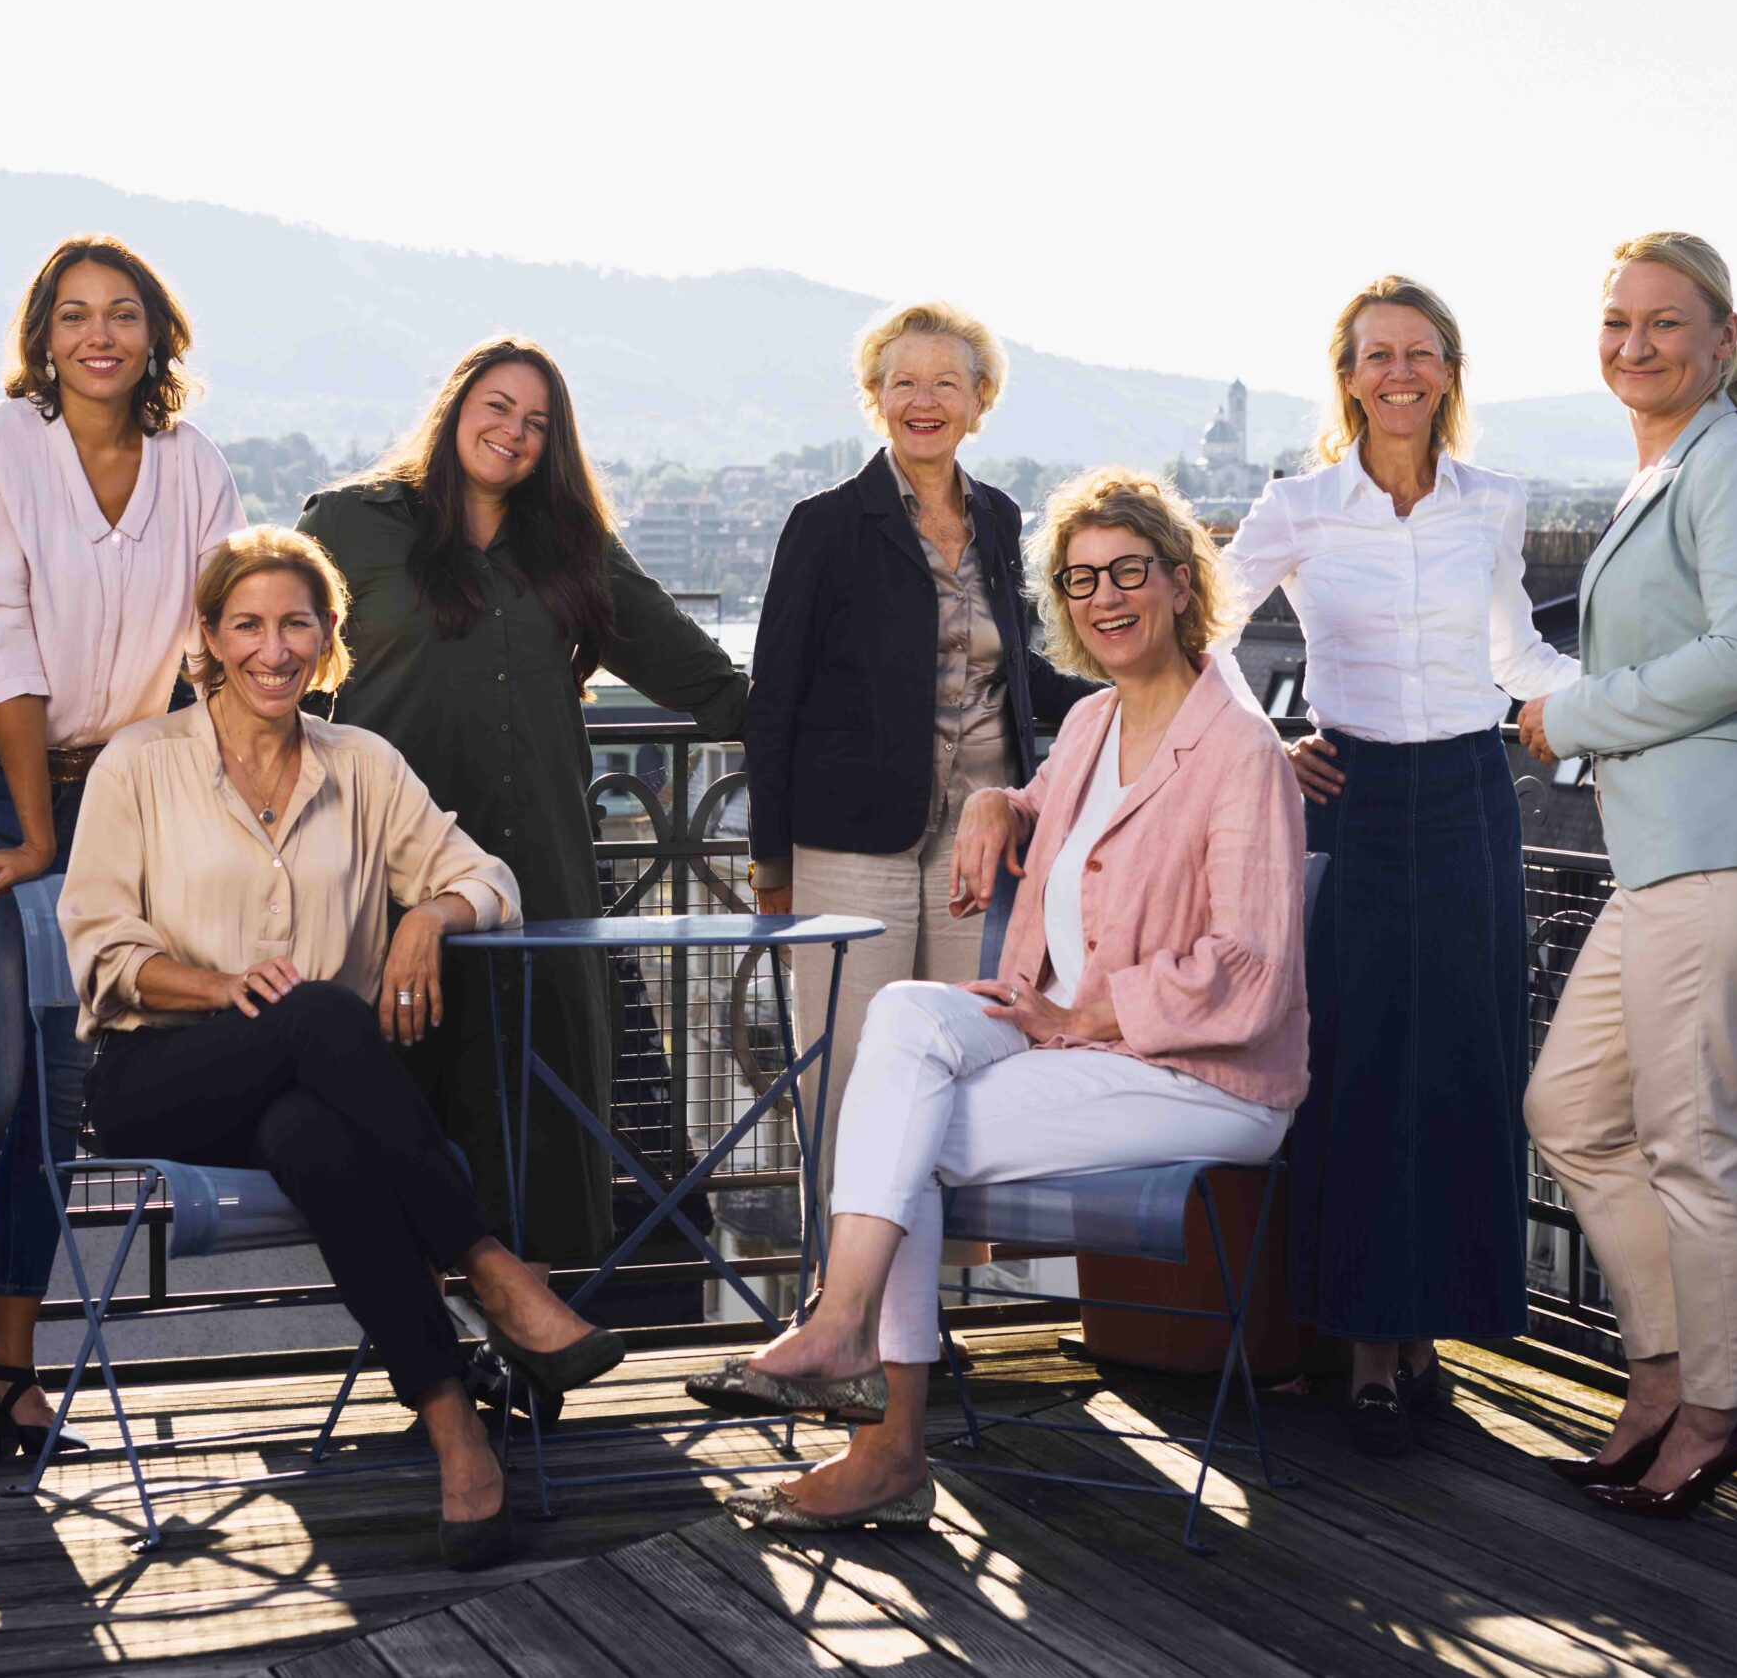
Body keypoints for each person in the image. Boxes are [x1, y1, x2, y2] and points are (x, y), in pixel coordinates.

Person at [683, 470, 1307, 1530]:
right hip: (1061, 1039)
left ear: (1177, 582)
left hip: (1198, 1075)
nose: (1105, 599)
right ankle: (851, 1360)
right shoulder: (1093, 725)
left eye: (1128, 574)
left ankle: (880, 1426)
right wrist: (992, 798)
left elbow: (1248, 969)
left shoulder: (1239, 750)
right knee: (906, 1018)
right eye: (1079, 582)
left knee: (901, 1132)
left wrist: (1087, 1019)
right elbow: (1057, 802)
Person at [60, 527, 624, 1568]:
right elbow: (99, 945)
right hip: (160, 1077)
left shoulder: (361, 766)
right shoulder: (140, 764)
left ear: (326, 642)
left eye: (295, 625)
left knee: (315, 1130)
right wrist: (219, 987)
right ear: (212, 642)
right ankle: (491, 1269)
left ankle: (457, 1435)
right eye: (248, 626)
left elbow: (487, 878)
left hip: (318, 1102)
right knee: (318, 1015)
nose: (272, 649)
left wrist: (427, 918)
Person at [297, 338, 747, 1277]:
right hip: (386, 871)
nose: (513, 432)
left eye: (537, 424)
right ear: (457, 406)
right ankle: (427, 1355)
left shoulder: (574, 552)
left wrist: (831, 735)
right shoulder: (351, 522)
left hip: (537, 876)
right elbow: (264, 665)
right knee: (399, 1105)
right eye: (498, 407)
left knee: (542, 1120)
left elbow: (701, 675)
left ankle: (531, 1356)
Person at [0, 235, 245, 1464]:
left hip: (101, 800)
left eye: (124, 314)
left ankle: (15, 1358)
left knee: (54, 1101)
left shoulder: (192, 465)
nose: (99, 335)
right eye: (74, 315)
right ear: (42, 336)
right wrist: (36, 827)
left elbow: (215, 641)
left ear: (157, 336)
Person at [1224, 276, 1580, 1456]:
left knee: (1464, 1064)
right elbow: (1199, 633)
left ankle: (1433, 1331)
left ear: (1447, 371)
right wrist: (1266, 746)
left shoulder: (1492, 501)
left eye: (1420, 353)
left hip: (1476, 794)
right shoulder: (1299, 505)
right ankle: (1368, 1350)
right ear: (1348, 375)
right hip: (1358, 797)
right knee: (1364, 1064)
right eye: (1378, 355)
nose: (1400, 374)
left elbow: (1516, 650)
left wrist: (1629, 706)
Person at [1517, 232, 1737, 1520]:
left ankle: (1720, 1407)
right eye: (1615, 324)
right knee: (1570, 1110)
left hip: (1728, 851)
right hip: (1666, 858)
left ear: (1722, 338)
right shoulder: (1674, 469)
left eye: (1663, 324)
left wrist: (1578, 714)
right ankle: (1660, 1374)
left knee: (1695, 1140)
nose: (1634, 346)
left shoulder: (1735, 468)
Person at [745, 300, 1094, 1218]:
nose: (925, 400)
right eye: (905, 382)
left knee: (959, 1066)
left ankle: (923, 1314)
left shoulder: (1003, 516)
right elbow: (771, 700)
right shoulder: (825, 524)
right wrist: (769, 858)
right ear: (875, 398)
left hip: (981, 848)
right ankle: (839, 1297)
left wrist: (1155, 698)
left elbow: (1022, 672)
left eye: (947, 382)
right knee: (849, 1070)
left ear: (980, 402)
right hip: (849, 846)